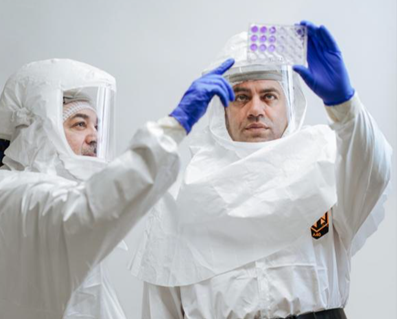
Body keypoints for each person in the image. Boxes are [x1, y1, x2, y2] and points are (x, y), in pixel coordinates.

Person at [131, 21, 392, 318]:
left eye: (268, 95)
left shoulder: (324, 164)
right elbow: (161, 308)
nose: (255, 109)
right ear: (222, 108)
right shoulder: (181, 199)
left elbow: (375, 171)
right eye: (241, 97)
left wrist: (346, 106)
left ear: (289, 104)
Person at [0, 58, 236, 319]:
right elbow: (96, 206)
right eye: (79, 124)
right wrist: (174, 126)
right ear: (37, 130)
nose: (95, 138)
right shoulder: (30, 201)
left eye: (97, 126)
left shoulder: (6, 197)